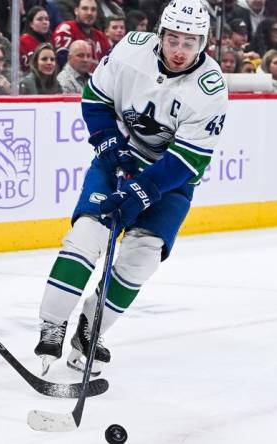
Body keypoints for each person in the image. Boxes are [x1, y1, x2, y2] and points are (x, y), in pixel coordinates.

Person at [33, 0, 228, 376]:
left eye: (190, 42)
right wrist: (107, 142)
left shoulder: (210, 88)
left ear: (203, 43)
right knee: (87, 236)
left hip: (168, 179)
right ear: (161, 34)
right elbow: (96, 99)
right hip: (118, 158)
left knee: (143, 257)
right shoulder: (131, 50)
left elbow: (188, 160)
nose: (179, 50)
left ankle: (90, 332)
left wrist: (140, 190)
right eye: (173, 38)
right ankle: (52, 325)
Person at [52, 0, 111, 70]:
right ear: (76, 11)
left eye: (93, 9)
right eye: (85, 9)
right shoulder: (66, 29)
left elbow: (109, 65)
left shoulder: (101, 37)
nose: (89, 13)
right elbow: (62, 62)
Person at [19, 6, 51, 72]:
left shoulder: (50, 40)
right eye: (40, 19)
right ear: (31, 24)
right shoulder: (23, 41)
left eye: (47, 19)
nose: (45, 22)